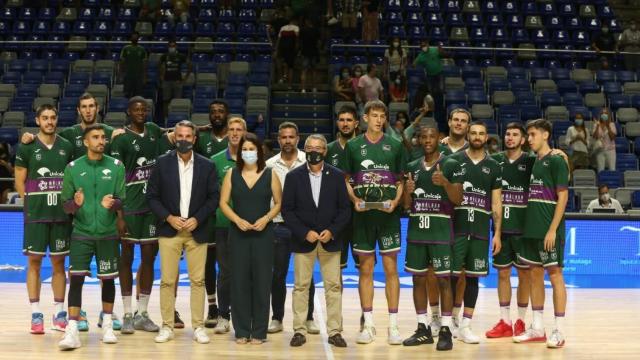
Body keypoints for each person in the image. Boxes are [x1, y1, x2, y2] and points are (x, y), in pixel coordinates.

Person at [20, 93, 122, 331]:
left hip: (75, 215)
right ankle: (52, 314)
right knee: (55, 266)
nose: (88, 110)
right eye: (83, 106)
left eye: (53, 117)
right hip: (50, 212)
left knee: (69, 265)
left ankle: (93, 313)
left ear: (98, 108)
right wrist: (28, 137)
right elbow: (21, 178)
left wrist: (120, 133)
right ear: (78, 110)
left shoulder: (108, 133)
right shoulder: (67, 135)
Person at [341, 100, 407, 345]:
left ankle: (393, 326)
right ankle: (368, 325)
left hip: (388, 218)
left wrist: (396, 201)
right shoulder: (354, 146)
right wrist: (354, 198)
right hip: (363, 218)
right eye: (375, 115)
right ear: (365, 118)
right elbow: (347, 180)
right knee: (366, 270)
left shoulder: (396, 145)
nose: (379, 120)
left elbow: (400, 182)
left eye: (383, 116)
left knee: (391, 270)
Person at [147, 120, 220, 344]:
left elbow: (213, 198)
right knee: (168, 281)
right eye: (180, 136)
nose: (184, 140)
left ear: (194, 139)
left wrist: (197, 218)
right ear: (174, 138)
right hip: (169, 229)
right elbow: (151, 197)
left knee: (198, 281)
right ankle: (167, 326)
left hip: (197, 230)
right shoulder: (161, 163)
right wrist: (169, 217)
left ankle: (198, 326)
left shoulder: (207, 165)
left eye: (188, 136)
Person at [58, 124, 126, 350]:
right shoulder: (72, 168)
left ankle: (107, 325)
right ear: (86, 142)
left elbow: (121, 200)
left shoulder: (116, 166)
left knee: (108, 279)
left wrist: (113, 204)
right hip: (82, 234)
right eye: (95, 137)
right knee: (75, 280)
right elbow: (66, 205)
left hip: (107, 234)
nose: (101, 141)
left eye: (103, 137)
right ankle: (72, 330)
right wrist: (75, 205)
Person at [282, 134, 352, 348]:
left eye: (319, 148)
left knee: (333, 287)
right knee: (301, 286)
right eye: (310, 147)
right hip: (304, 241)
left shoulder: (338, 176)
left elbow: (344, 210)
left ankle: (334, 331)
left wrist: (332, 230)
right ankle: (299, 330)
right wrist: (305, 232)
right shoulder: (293, 177)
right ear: (305, 149)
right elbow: (288, 210)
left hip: (330, 240)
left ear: (325, 151)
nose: (314, 151)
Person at [401, 124, 463, 351]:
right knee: (417, 280)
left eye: (431, 136)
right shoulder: (411, 167)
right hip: (417, 231)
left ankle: (445, 329)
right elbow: (407, 206)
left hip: (440, 231)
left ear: (439, 138)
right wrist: (407, 191)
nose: (427, 140)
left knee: (444, 280)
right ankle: (422, 328)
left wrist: (444, 183)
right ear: (418, 140)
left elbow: (458, 199)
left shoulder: (450, 164)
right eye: (423, 137)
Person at [14, 105, 73, 334]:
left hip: (61, 216)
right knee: (34, 263)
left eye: (53, 117)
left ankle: (59, 314)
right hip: (36, 216)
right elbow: (20, 181)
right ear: (37, 120)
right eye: (45, 118)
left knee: (59, 264)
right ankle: (35, 314)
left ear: (57, 120)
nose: (49, 121)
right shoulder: (26, 146)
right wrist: (30, 204)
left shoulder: (66, 146)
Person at [219, 133, 282, 345]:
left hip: (264, 235)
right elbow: (223, 203)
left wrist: (266, 219)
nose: (248, 153)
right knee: (239, 282)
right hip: (238, 235)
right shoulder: (231, 174)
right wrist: (237, 220)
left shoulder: (270, 174)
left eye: (252, 149)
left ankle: (259, 331)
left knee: (263, 282)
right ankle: (242, 330)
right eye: (244, 149)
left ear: (260, 151)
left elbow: (279, 203)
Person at [109, 97, 162, 334]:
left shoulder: (153, 131)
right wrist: (119, 215)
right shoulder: (120, 139)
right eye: (136, 110)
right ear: (128, 112)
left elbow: (174, 134)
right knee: (126, 258)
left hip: (151, 209)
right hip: (129, 208)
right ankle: (128, 313)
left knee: (149, 258)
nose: (141, 112)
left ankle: (143, 313)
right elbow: (116, 178)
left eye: (144, 109)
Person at [514, 119, 569, 349]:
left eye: (533, 134)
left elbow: (563, 196)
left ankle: (559, 330)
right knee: (535, 274)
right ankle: (537, 328)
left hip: (549, 230)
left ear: (546, 135)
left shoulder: (557, 160)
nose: (529, 139)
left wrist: (553, 230)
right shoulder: (535, 161)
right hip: (531, 229)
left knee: (555, 275)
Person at [447, 121, 503, 344]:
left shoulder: (494, 166)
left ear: (486, 136)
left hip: (480, 230)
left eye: (481, 133)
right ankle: (450, 319)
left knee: (472, 278)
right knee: (451, 275)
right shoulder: (454, 161)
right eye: (473, 133)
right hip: (456, 228)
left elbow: (497, 203)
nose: (477, 136)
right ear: (468, 135)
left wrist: (497, 233)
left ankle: (466, 325)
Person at [266, 122, 318, 334]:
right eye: (283, 137)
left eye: (291, 137)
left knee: (306, 277)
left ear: (298, 139)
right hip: (278, 226)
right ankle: (277, 318)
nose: (287, 141)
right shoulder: (269, 164)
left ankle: (308, 317)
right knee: (277, 275)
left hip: (304, 229)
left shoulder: (309, 161)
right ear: (279, 140)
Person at [485, 123, 534, 339]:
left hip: (524, 230)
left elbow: (554, 162)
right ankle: (505, 321)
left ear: (523, 139)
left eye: (515, 134)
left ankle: (521, 321)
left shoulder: (532, 162)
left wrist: (559, 152)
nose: (510, 137)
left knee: (525, 275)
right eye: (507, 134)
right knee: (502, 274)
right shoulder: (494, 161)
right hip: (500, 229)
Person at [209, 117, 247, 334]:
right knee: (225, 272)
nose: (234, 133)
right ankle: (223, 315)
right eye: (231, 129)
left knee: (246, 272)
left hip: (250, 225)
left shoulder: (253, 158)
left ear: (244, 132)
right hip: (223, 224)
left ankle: (244, 314)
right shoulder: (215, 161)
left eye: (238, 129)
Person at [327, 106, 362, 276]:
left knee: (365, 267)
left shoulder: (365, 146)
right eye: (341, 120)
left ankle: (367, 304)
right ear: (337, 123)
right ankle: (335, 304)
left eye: (349, 120)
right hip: (335, 215)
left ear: (356, 123)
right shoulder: (328, 149)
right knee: (335, 269)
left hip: (361, 214)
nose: (345, 124)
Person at [160, 39, 191, 116]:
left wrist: (186, 77)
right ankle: (166, 119)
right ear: (168, 47)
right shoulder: (164, 56)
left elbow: (189, 65)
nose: (172, 47)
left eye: (173, 46)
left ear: (176, 47)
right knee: (165, 101)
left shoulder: (180, 56)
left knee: (178, 102)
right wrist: (161, 76)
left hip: (177, 81)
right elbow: (158, 66)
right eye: (170, 46)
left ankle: (177, 118)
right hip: (167, 81)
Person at [120, 32, 147, 98]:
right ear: (131, 38)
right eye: (133, 37)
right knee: (127, 94)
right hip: (128, 76)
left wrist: (144, 77)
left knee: (138, 95)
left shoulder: (142, 49)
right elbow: (122, 63)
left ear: (138, 38)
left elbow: (144, 64)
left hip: (138, 76)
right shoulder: (125, 48)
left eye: (136, 37)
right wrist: (121, 75)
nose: (134, 38)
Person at [275, 18, 300, 89]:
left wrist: (276, 49)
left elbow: (278, 39)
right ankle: (289, 84)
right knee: (290, 67)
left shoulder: (282, 28)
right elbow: (297, 38)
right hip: (290, 49)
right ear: (294, 21)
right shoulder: (296, 27)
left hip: (282, 48)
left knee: (282, 63)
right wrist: (297, 49)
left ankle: (281, 78)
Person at [299, 18, 321, 93]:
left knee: (304, 71)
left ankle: (303, 89)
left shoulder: (303, 30)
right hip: (314, 52)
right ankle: (314, 88)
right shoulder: (316, 30)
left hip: (305, 52)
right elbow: (319, 42)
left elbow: (300, 41)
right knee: (314, 71)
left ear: (307, 21)